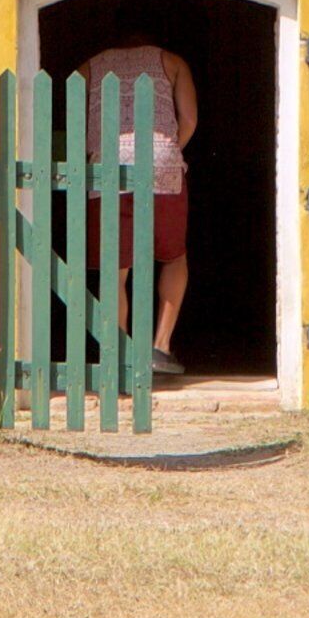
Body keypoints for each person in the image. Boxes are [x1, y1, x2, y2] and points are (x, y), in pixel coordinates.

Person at [74, 37, 198, 378]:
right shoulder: (172, 60)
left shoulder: (90, 66)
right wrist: (167, 151)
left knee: (115, 265)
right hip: (161, 162)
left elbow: (74, 114)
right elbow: (189, 119)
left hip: (108, 163)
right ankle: (160, 347)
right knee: (173, 256)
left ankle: (116, 352)